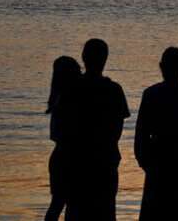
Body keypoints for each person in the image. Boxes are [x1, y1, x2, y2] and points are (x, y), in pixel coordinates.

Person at [135, 47, 178, 221]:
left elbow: (141, 136)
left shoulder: (151, 94)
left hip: (159, 164)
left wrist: (146, 163)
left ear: (161, 67)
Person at [65, 38, 129, 221]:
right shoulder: (114, 90)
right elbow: (117, 131)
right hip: (105, 162)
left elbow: (66, 129)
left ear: (83, 57)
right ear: (105, 59)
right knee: (105, 212)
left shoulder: (72, 89)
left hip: (77, 163)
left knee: (76, 212)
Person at [46, 56, 82, 221]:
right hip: (68, 159)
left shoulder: (57, 100)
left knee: (58, 204)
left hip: (60, 158)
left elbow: (55, 135)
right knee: (67, 204)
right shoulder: (68, 101)